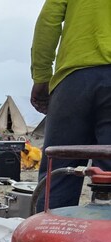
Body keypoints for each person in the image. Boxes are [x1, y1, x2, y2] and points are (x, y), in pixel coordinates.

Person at [31, 0, 111, 209]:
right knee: (108, 180)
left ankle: (46, 240)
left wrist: (41, 77)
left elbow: (48, 22)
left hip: (73, 81)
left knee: (57, 176)